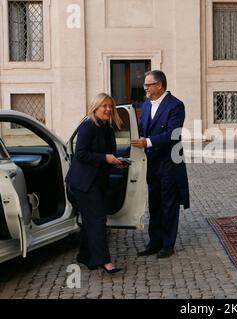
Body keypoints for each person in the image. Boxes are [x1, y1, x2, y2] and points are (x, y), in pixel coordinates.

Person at [132, 70, 190, 259]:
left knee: (168, 204)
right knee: (154, 203)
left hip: (169, 162)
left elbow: (174, 133)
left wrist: (147, 142)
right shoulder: (146, 104)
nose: (145, 88)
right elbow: (142, 128)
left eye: (148, 85)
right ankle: (154, 242)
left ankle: (167, 244)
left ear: (159, 85)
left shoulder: (176, 105)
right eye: (145, 85)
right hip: (151, 161)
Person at [66, 93, 124, 274]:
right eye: (103, 106)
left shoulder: (107, 128)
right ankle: (104, 261)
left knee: (91, 219)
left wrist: (117, 162)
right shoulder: (87, 126)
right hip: (84, 182)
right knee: (98, 219)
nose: (107, 109)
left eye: (110, 106)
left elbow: (108, 154)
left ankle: (84, 256)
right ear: (95, 108)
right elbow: (81, 154)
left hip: (98, 181)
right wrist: (105, 158)